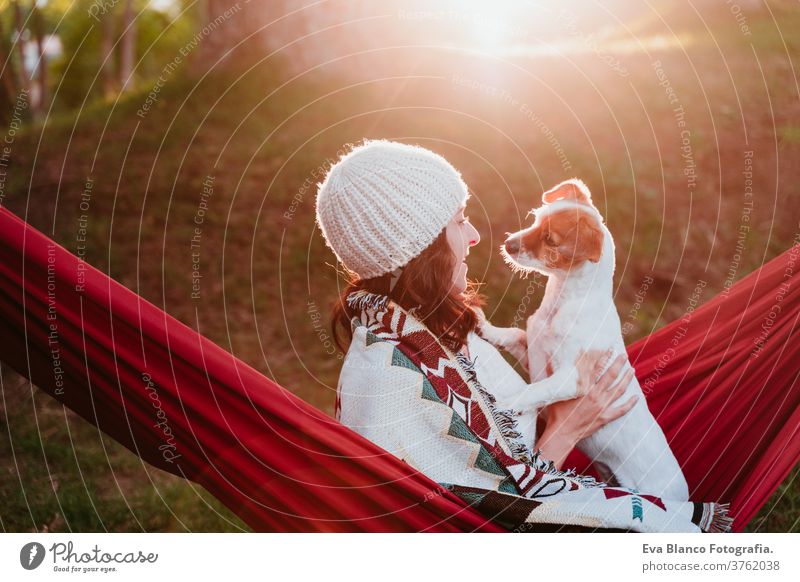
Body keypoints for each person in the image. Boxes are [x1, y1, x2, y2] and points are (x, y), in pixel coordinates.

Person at [314, 140, 730, 532]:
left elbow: (495, 451)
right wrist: (568, 428)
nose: (475, 235)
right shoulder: (387, 381)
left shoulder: (424, 327)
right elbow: (491, 525)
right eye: (459, 222)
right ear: (415, 248)